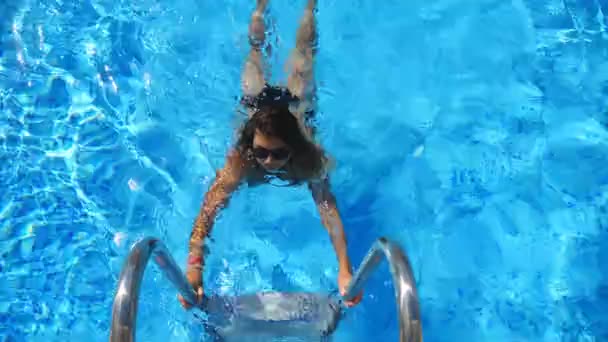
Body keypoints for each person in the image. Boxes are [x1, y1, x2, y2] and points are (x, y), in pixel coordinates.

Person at [179, 0, 362, 309]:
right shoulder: (242, 160)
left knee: (304, 56)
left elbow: (328, 210)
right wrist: (194, 268)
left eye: (279, 154)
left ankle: (309, 7)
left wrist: (344, 268)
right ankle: (260, 8)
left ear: (293, 148)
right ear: (251, 146)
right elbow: (208, 211)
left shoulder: (307, 159)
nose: (269, 162)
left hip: (294, 109)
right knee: (255, 54)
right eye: (262, 153)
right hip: (256, 107)